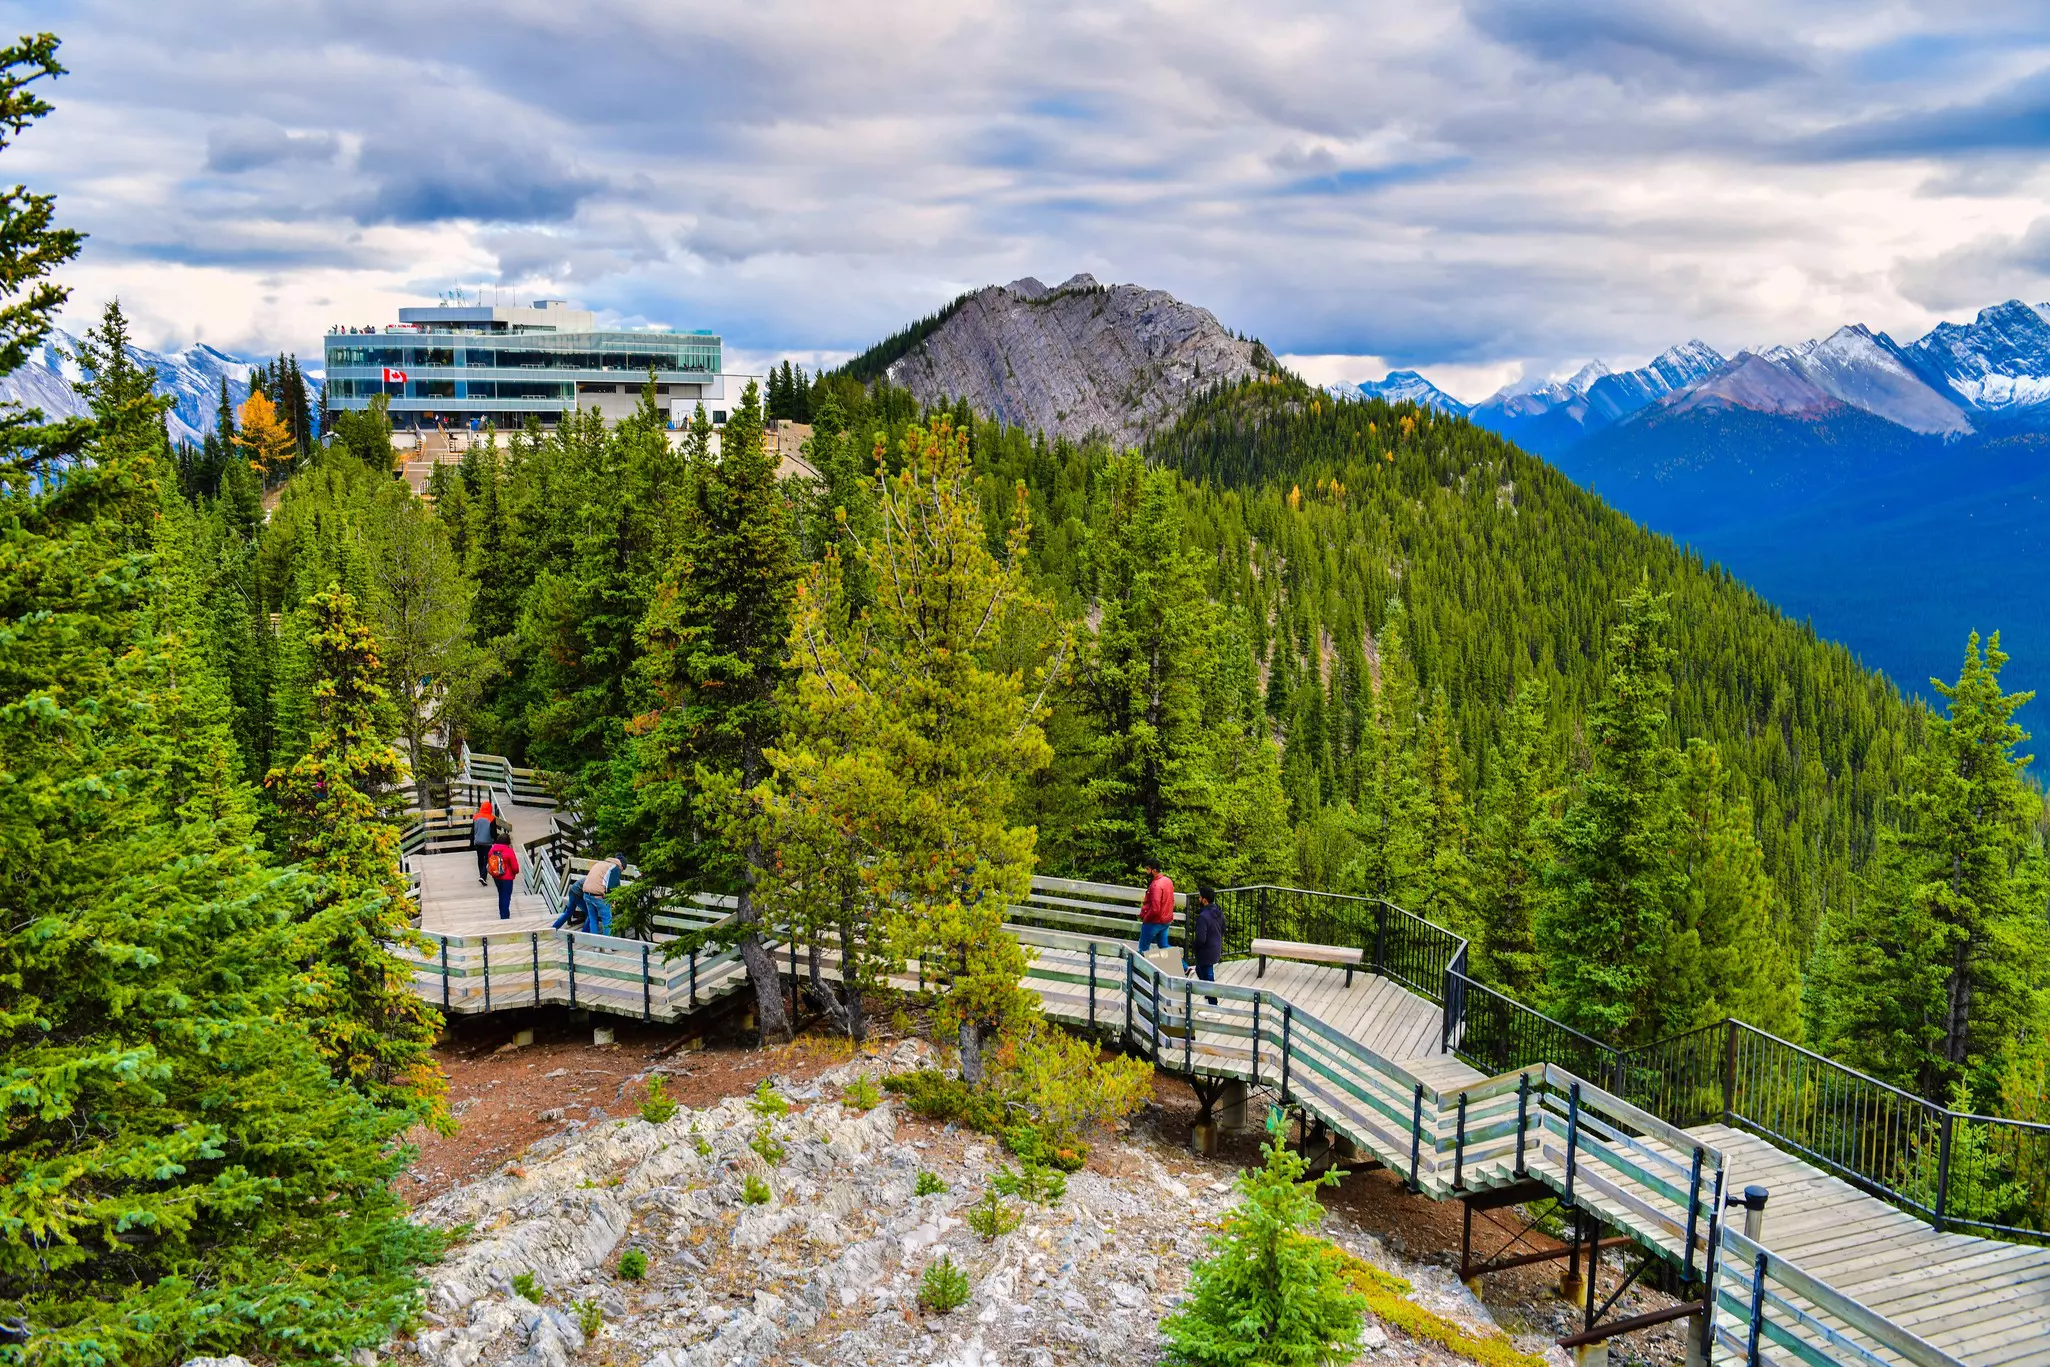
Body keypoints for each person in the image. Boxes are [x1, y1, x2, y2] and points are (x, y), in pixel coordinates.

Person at [1189, 884, 1224, 1005]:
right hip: (1216, 947)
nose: (1198, 899)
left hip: (1205, 952)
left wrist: (1194, 946)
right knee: (1200, 970)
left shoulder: (1203, 917)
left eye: (1199, 897)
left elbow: (1200, 938)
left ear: (1204, 900)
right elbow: (1223, 928)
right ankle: (1209, 997)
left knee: (1208, 976)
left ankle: (1213, 1003)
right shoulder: (1219, 912)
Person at [1138, 859, 1176, 956]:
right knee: (1164, 945)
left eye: (1147, 869)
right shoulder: (1168, 881)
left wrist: (1146, 919)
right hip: (1165, 920)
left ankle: (1142, 970)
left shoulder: (1155, 885)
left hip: (1154, 921)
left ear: (1154, 870)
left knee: (1143, 948)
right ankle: (1185, 967)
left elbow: (1155, 908)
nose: (1146, 871)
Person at [582, 854, 625, 936]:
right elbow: (611, 887)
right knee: (607, 920)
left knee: (593, 919)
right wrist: (612, 900)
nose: (621, 872)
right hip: (598, 896)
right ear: (621, 866)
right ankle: (608, 946)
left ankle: (596, 946)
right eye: (622, 870)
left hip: (586, 894)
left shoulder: (600, 863)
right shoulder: (615, 868)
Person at [487, 836, 520, 919]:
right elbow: (515, 867)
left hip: (496, 877)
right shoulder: (509, 851)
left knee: (501, 895)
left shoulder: (492, 850)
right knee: (506, 896)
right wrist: (515, 873)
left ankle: (502, 913)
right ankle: (505, 916)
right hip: (507, 878)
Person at [471, 797, 496, 886]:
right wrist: (495, 842)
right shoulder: (492, 818)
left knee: (480, 859)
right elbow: (493, 832)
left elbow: (472, 831)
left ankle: (481, 875)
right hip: (487, 842)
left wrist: (471, 843)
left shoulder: (475, 817)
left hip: (477, 842)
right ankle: (483, 876)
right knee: (487, 859)